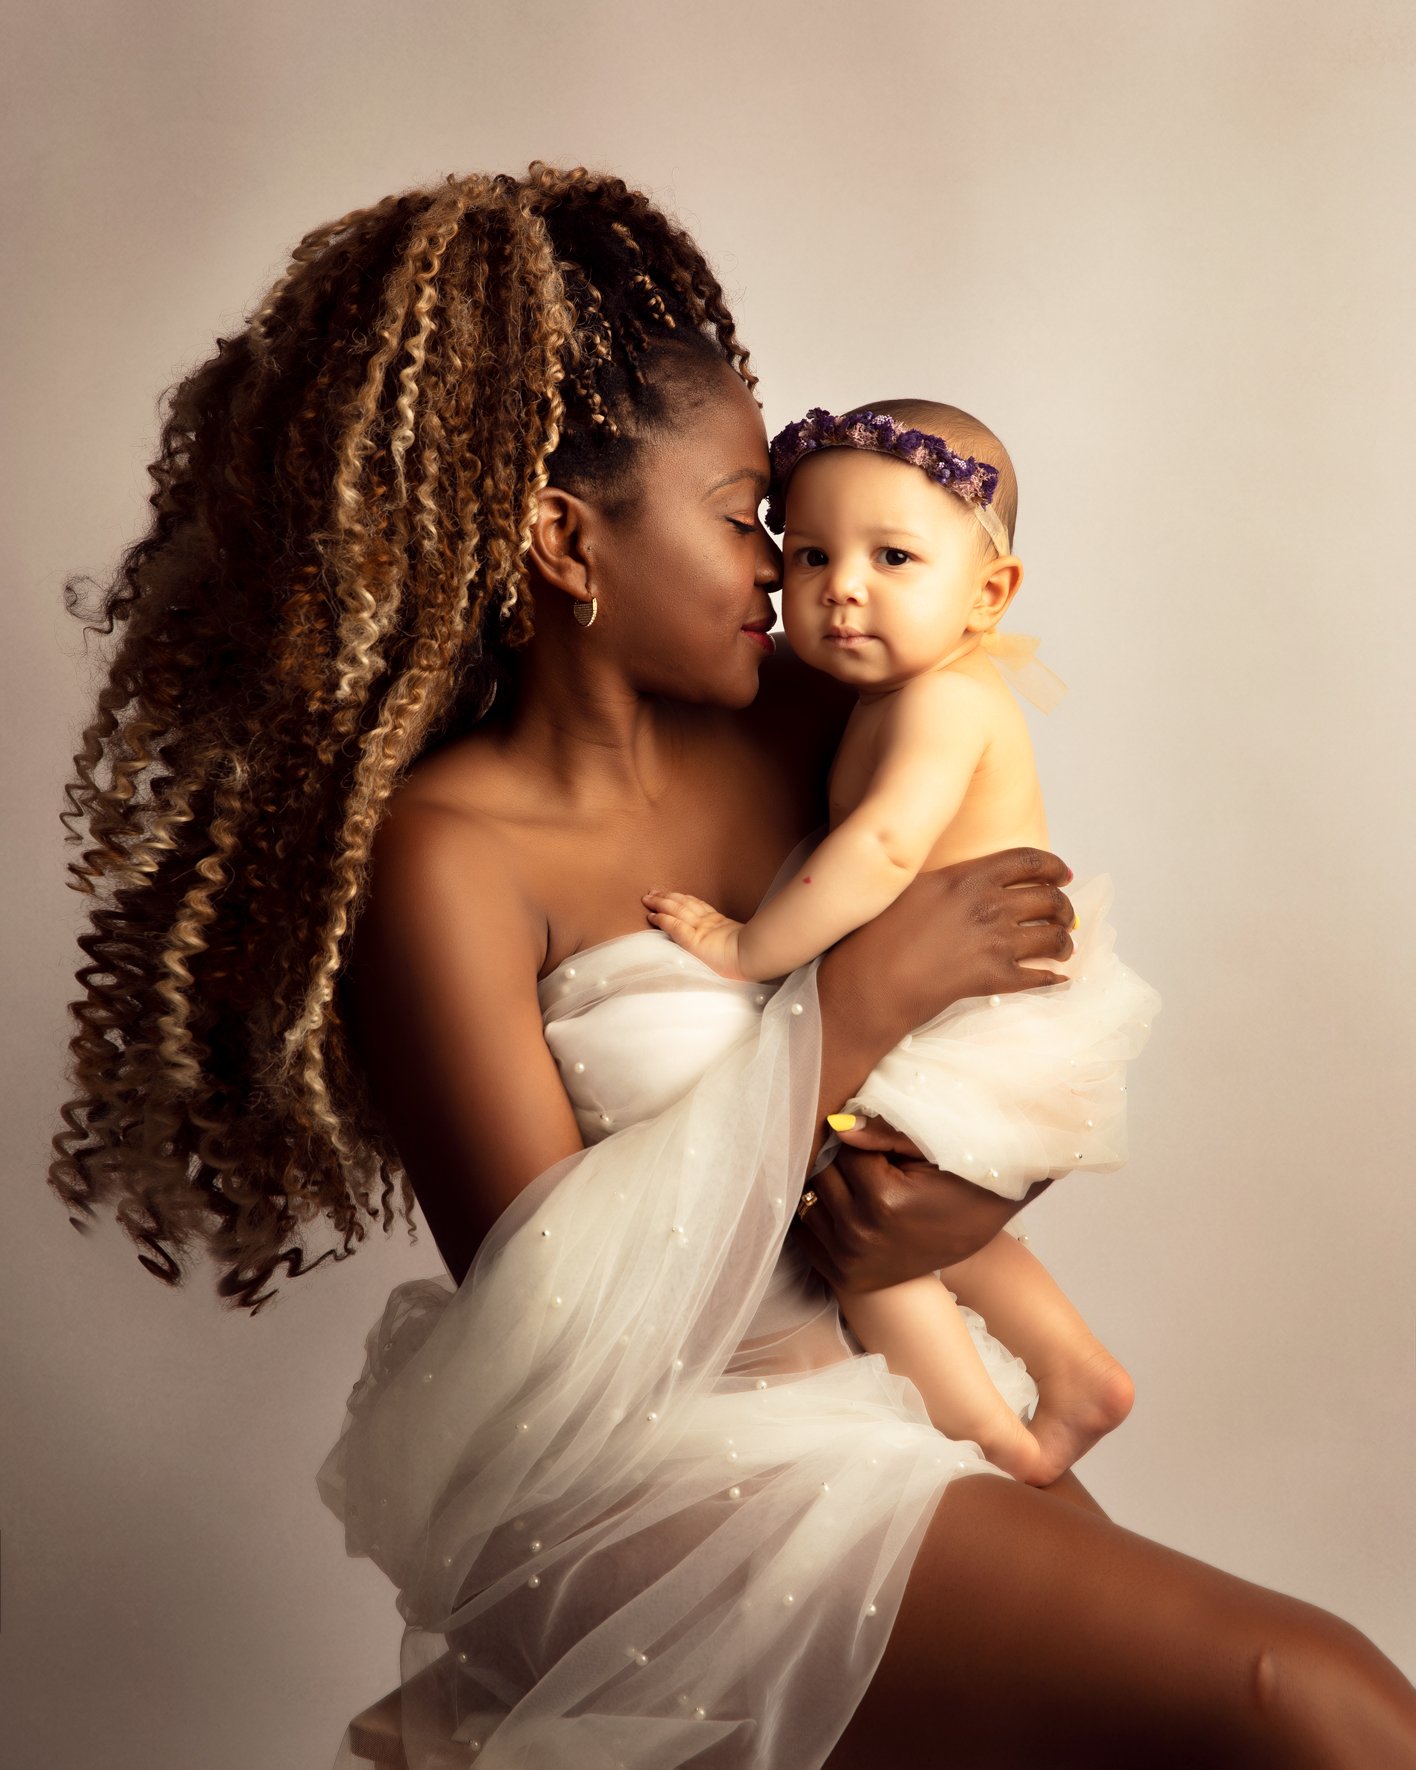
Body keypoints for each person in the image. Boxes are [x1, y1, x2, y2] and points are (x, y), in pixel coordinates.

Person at [49, 164, 1416, 1769]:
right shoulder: (447, 858)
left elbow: (997, 1051)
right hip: (656, 1480)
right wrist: (851, 1003)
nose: (790, 565)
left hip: (895, 1398)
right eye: (740, 520)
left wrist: (970, 1197)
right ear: (566, 539)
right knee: (1311, 1702)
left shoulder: (812, 728)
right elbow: (554, 1326)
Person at [644, 397, 1159, 1487]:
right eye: (814, 552)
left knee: (852, 1235)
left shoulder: (942, 705)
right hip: (971, 1003)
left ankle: (998, 1445)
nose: (842, 589)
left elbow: (879, 852)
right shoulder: (895, 691)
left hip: (973, 1011)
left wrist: (745, 951)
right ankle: (1077, 1373)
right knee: (918, 1218)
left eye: (893, 557)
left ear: (989, 593)